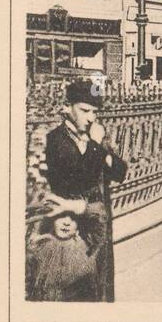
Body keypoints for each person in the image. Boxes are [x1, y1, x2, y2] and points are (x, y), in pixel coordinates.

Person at [42, 77, 128, 301]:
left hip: (99, 232)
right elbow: (80, 179)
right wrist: (96, 148)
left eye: (94, 112)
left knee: (102, 290)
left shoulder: (94, 139)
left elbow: (121, 171)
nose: (91, 118)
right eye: (85, 110)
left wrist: (102, 153)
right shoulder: (56, 141)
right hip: (74, 235)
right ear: (67, 108)